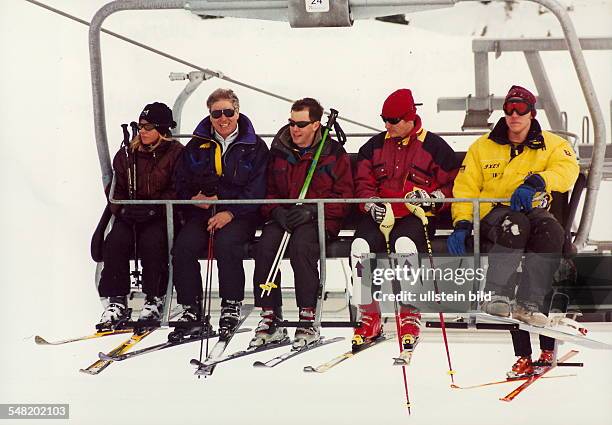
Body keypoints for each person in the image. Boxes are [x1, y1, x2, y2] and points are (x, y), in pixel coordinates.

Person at [448, 85, 579, 377]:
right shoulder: (483, 147)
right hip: (496, 214)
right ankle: (496, 294)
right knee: (514, 228)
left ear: (532, 113)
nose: (514, 115)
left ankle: (530, 306)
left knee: (551, 236)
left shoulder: (552, 144)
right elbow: (465, 188)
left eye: (521, 109)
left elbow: (568, 170)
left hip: (532, 211)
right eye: (509, 109)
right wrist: (462, 222)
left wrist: (538, 181)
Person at [352, 88, 461, 352]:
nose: (388, 126)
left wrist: (432, 198)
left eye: (393, 120)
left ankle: (410, 314)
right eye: (384, 120)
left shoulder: (435, 147)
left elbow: (454, 185)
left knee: (404, 245)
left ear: (411, 117)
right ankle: (369, 315)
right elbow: (362, 182)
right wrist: (370, 204)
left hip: (415, 215)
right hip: (383, 213)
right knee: (360, 248)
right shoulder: (374, 146)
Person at [249, 98, 354, 350]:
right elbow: (269, 191)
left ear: (316, 125)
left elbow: (344, 197)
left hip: (318, 217)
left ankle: (307, 316)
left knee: (302, 247)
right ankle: (269, 315)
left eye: (301, 124)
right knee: (264, 248)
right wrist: (276, 211)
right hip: (286, 215)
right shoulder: (280, 150)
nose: (295, 129)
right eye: (292, 123)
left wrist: (313, 211)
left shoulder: (332, 153)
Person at [173, 88, 269, 338]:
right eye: (217, 113)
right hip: (203, 212)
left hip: (240, 213)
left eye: (228, 112)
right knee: (183, 246)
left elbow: (257, 188)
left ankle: (231, 302)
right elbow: (180, 182)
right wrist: (192, 200)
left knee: (228, 243)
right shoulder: (196, 145)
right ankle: (191, 306)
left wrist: (231, 210)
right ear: (210, 115)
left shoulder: (254, 146)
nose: (223, 119)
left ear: (237, 112)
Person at [98, 102, 184, 328]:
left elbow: (178, 187)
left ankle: (154, 297)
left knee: (152, 241)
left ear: (163, 130)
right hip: (131, 213)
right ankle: (116, 300)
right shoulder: (127, 154)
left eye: (148, 127)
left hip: (159, 215)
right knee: (115, 241)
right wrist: (123, 208)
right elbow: (115, 189)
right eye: (140, 126)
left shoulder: (176, 154)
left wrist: (156, 207)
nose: (142, 131)